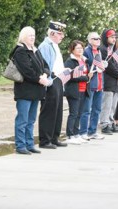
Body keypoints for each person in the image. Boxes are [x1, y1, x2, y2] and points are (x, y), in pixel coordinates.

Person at [12, 27, 50, 154]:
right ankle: (20, 145)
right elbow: (26, 70)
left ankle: (29, 143)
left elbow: (45, 65)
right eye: (30, 35)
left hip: (36, 91)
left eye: (33, 35)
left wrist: (45, 75)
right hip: (25, 91)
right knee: (22, 119)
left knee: (31, 119)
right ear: (23, 36)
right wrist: (39, 79)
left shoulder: (35, 50)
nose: (32, 38)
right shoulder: (20, 51)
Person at [38, 21, 68, 149]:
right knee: (49, 111)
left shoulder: (54, 45)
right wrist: (49, 80)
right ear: (52, 33)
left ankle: (54, 137)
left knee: (57, 110)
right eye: (59, 34)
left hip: (59, 80)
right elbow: (45, 66)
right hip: (51, 80)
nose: (62, 37)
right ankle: (45, 140)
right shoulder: (45, 46)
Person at [80, 32, 106, 140]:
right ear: (90, 40)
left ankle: (93, 131)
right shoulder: (86, 51)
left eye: (99, 39)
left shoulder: (99, 51)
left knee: (97, 109)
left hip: (99, 83)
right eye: (95, 39)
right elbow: (84, 65)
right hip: (91, 83)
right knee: (87, 109)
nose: (98, 40)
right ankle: (83, 132)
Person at [64, 40, 90, 144]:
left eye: (81, 48)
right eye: (77, 48)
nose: (80, 50)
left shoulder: (84, 60)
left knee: (79, 113)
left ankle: (76, 133)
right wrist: (85, 78)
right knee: (73, 113)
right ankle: (70, 135)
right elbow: (69, 76)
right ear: (72, 49)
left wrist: (87, 77)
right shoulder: (70, 61)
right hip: (74, 90)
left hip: (84, 90)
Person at [99, 29, 118, 134]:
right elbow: (108, 66)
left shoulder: (114, 49)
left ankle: (110, 121)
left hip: (116, 81)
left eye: (115, 37)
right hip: (108, 80)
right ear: (106, 38)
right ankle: (105, 124)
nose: (114, 39)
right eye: (111, 37)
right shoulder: (103, 49)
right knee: (107, 104)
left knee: (113, 104)